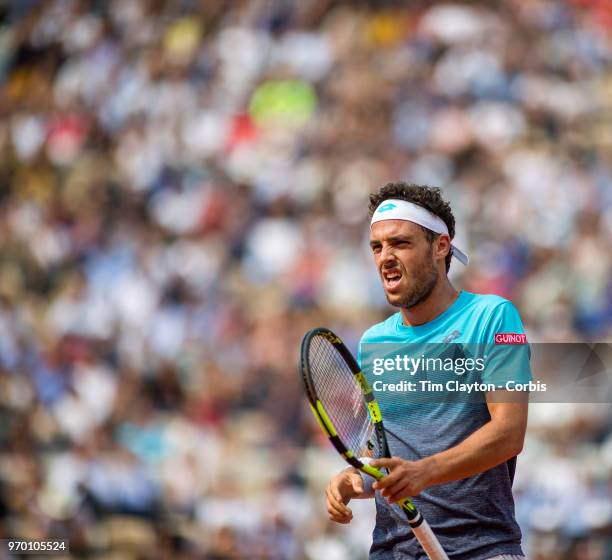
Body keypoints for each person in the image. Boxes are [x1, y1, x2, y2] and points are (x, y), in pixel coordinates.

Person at [324, 183, 530, 560]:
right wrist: (356, 478)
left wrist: (425, 471)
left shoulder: (493, 317)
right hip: (391, 550)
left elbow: (509, 433)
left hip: (483, 549)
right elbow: (384, 451)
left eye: (400, 243)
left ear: (441, 246)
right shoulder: (373, 342)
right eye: (377, 246)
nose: (385, 256)